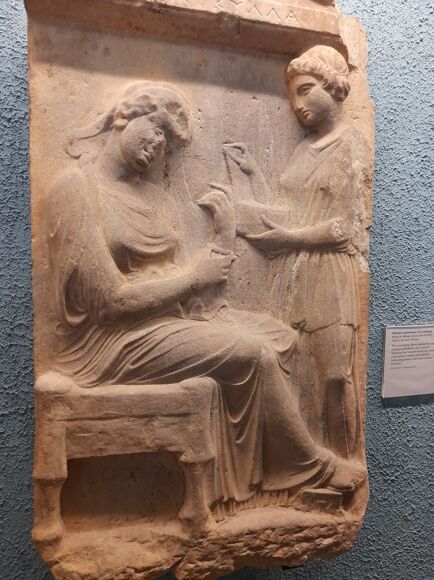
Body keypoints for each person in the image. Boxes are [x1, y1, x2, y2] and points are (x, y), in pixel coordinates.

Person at [47, 81, 364, 509]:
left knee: (280, 337)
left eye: (168, 142)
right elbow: (109, 301)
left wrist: (222, 235)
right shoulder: (76, 189)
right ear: (123, 115)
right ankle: (311, 466)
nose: (159, 145)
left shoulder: (156, 198)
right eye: (156, 128)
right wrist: (194, 280)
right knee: (253, 353)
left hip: (165, 321)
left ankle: (260, 481)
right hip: (110, 342)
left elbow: (189, 284)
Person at [227, 46, 371, 459]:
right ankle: (308, 462)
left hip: (330, 274)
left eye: (305, 90)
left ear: (334, 87)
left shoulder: (352, 145)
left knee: (335, 377)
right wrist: (252, 174)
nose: (297, 104)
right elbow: (287, 209)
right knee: (296, 375)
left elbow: (344, 227)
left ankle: (345, 463)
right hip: (294, 275)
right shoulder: (304, 149)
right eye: (292, 96)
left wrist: (289, 237)